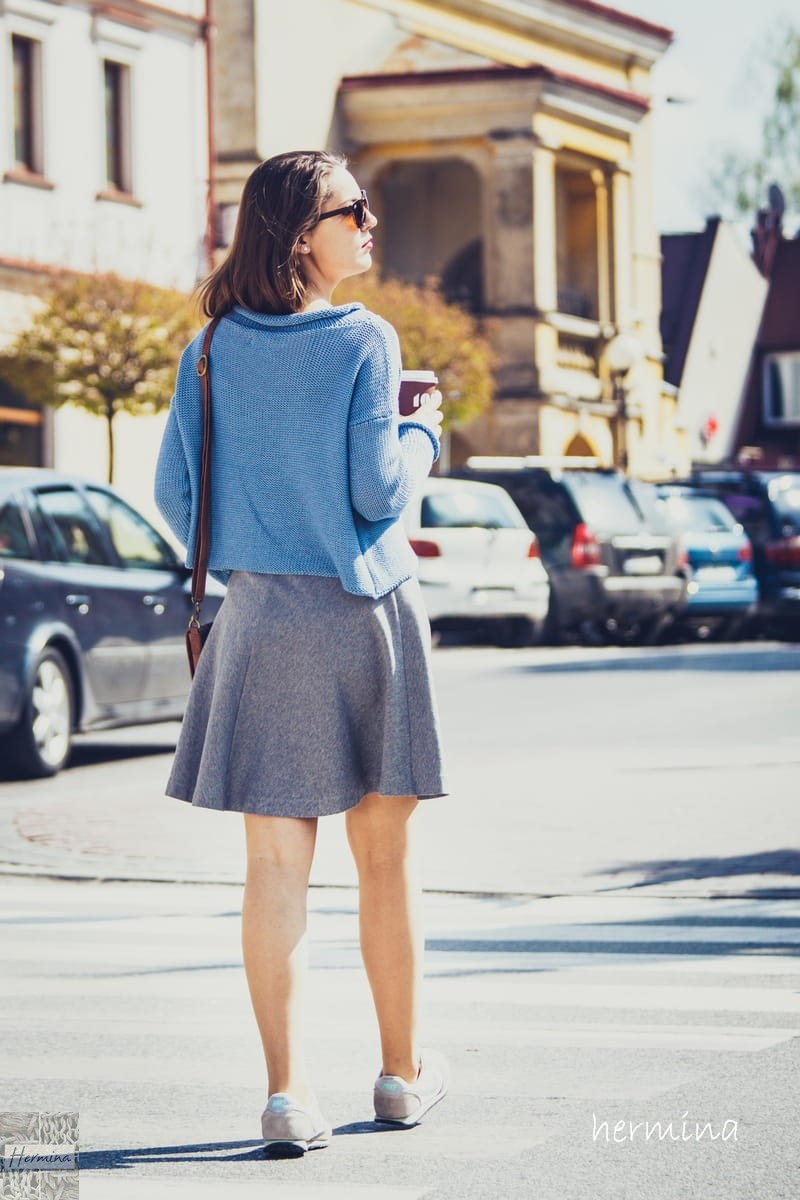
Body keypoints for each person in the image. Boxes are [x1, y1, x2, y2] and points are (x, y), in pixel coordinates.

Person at [154, 150, 449, 1158]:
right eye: (350, 210)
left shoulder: (208, 350)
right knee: (385, 860)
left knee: (274, 867)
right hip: (366, 613)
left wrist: (254, 545)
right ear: (296, 233)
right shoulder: (365, 338)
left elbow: (174, 496)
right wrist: (423, 436)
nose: (369, 223)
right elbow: (378, 493)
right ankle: (400, 1077)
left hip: (259, 620)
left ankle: (286, 1095)